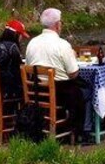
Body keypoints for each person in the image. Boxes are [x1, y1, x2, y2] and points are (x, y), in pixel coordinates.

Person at [25, 8, 93, 137]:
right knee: (87, 90)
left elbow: (28, 67)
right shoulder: (62, 45)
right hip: (59, 92)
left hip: (36, 90)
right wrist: (72, 57)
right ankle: (82, 131)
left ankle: (58, 125)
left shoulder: (31, 43)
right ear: (57, 25)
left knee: (75, 89)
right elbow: (73, 73)